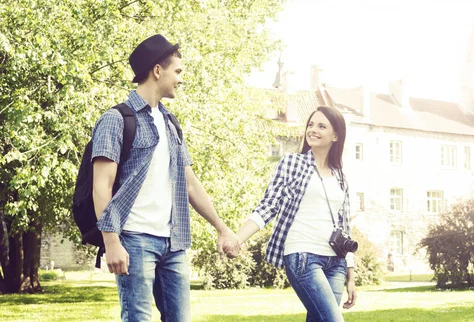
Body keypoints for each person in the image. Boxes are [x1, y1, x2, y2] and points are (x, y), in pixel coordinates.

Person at [91, 34, 240, 322]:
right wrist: (111, 242)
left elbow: (189, 182)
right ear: (157, 71)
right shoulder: (116, 119)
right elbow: (102, 186)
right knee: (138, 318)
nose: (181, 79)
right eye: (178, 72)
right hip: (134, 239)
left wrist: (221, 227)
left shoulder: (170, 123)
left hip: (173, 243)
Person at [235, 106, 358, 322]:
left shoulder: (340, 176)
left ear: (336, 135)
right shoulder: (292, 163)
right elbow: (268, 205)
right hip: (303, 256)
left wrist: (351, 273)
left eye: (321, 126)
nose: (313, 130)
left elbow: (344, 226)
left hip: (336, 262)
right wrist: (237, 239)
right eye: (311, 124)